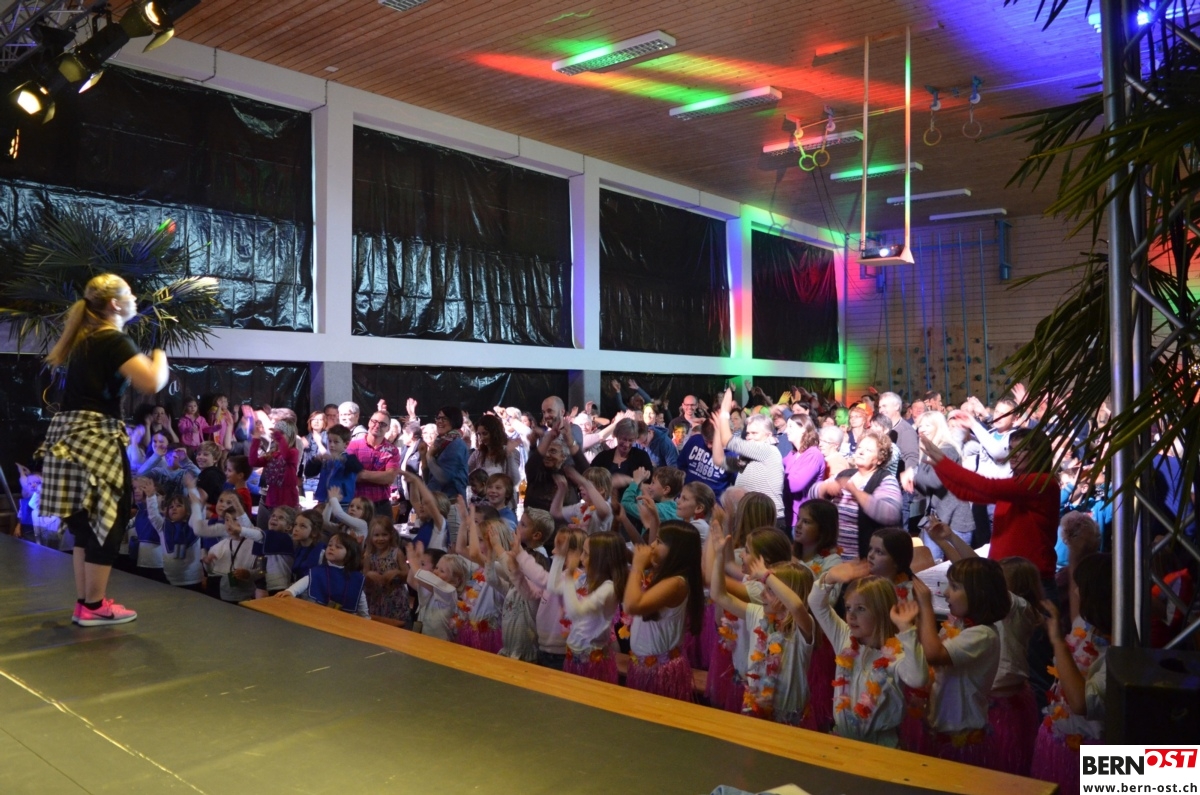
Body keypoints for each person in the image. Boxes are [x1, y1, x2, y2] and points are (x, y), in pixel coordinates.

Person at [36, 275, 169, 626]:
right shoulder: (111, 338)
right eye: (129, 293)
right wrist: (159, 354)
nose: (135, 298)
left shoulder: (87, 338)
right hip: (94, 438)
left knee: (86, 522)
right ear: (114, 304)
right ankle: (94, 606)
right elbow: (152, 381)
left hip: (71, 437)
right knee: (106, 520)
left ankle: (86, 603)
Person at [807, 564, 929, 747]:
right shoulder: (844, 638)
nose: (851, 615)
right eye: (848, 608)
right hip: (843, 740)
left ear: (881, 611)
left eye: (861, 608)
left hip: (882, 747)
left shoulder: (897, 655)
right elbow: (816, 603)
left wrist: (906, 629)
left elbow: (918, 678)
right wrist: (829, 578)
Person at [710, 533, 815, 726]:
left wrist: (767, 575)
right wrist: (718, 556)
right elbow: (719, 595)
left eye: (770, 590)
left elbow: (796, 606)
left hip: (790, 721)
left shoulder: (801, 628)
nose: (763, 595)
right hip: (756, 709)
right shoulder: (757, 614)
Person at [911, 560, 1008, 765]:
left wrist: (926, 606)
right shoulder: (960, 625)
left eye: (954, 587)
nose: (946, 593)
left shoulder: (982, 635)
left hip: (962, 741)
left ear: (978, 594)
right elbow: (926, 646)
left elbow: (933, 654)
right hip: (940, 733)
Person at [623, 522, 704, 702]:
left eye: (658, 541)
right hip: (643, 667)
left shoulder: (677, 583)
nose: (652, 545)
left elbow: (631, 606)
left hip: (660, 672)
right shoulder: (661, 576)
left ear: (676, 550)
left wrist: (637, 567)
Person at [808, 430, 902, 560]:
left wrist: (856, 492)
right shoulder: (846, 474)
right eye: (860, 448)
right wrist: (825, 488)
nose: (861, 452)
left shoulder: (885, 479)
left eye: (868, 450)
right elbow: (811, 495)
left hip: (865, 559)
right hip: (833, 556)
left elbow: (890, 514)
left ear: (880, 459)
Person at [556, 531, 628, 684]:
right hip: (574, 658)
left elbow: (576, 612)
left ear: (601, 560)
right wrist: (559, 557)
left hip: (592, 664)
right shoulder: (585, 579)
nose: (581, 558)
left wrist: (569, 576)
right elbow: (553, 587)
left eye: (586, 554)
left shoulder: (609, 588)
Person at [712, 388, 785, 526]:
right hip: (753, 517)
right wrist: (717, 430)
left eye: (755, 433)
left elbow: (727, 440)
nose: (749, 437)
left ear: (769, 435)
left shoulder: (768, 450)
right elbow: (719, 460)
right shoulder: (748, 458)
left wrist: (725, 413)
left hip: (769, 519)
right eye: (748, 433)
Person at [279, 532, 369, 618]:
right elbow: (304, 582)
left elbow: (359, 595)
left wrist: (365, 617)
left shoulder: (355, 577)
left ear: (350, 554)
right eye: (329, 545)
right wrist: (291, 591)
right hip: (316, 614)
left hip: (342, 619)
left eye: (338, 547)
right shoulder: (318, 571)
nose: (331, 548)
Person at [346, 409, 399, 520]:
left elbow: (390, 478)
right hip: (357, 506)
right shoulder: (353, 446)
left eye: (383, 424)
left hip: (381, 506)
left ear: (388, 428)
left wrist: (362, 474)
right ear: (369, 422)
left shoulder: (392, 450)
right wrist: (380, 476)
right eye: (374, 421)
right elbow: (350, 476)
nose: (377, 425)